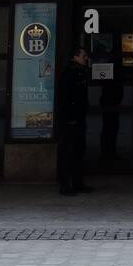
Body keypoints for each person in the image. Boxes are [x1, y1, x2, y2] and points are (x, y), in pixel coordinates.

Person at [57, 45, 94, 196]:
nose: (86, 59)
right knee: (69, 152)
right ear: (75, 57)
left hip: (78, 117)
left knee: (78, 151)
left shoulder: (80, 72)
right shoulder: (70, 73)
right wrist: (70, 117)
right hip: (71, 119)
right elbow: (65, 98)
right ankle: (66, 185)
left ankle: (77, 182)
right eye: (83, 56)